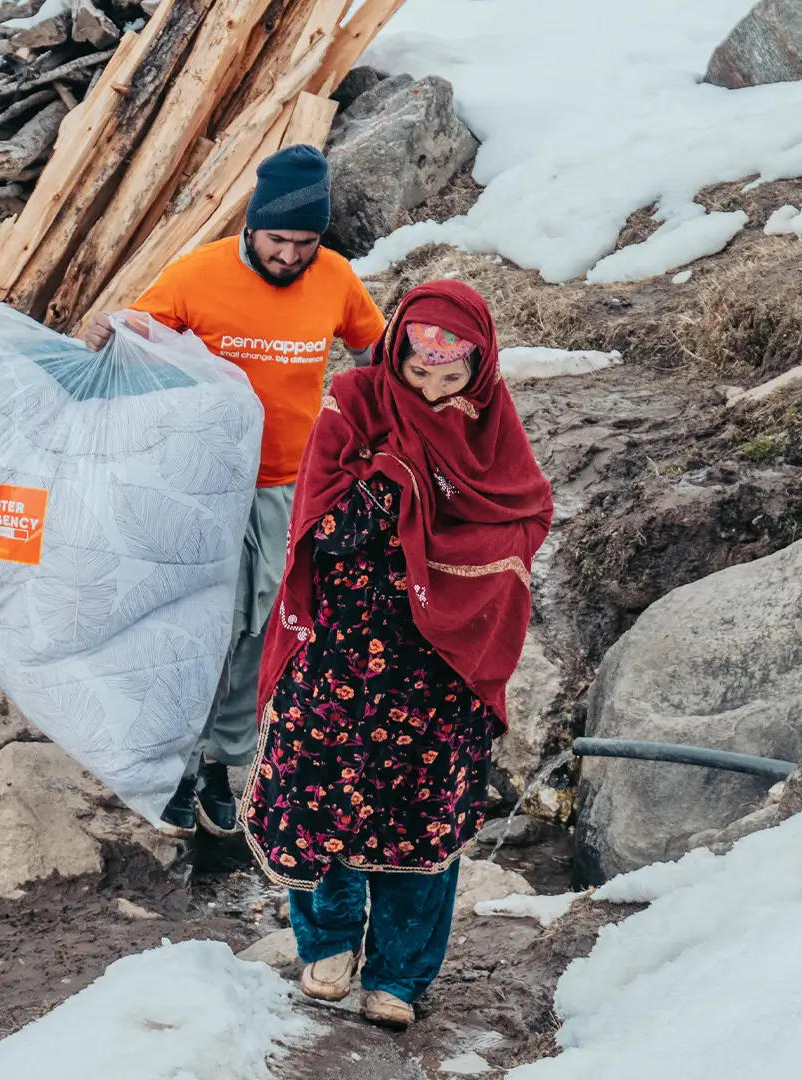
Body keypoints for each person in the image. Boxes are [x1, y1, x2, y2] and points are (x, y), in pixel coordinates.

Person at [240, 280, 553, 1032]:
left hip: (438, 669)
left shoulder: (490, 429)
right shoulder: (353, 402)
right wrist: (392, 485)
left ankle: (400, 977)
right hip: (338, 654)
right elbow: (322, 524)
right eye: (421, 375)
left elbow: (523, 517)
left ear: (478, 371)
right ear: (396, 354)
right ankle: (329, 946)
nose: (435, 392)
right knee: (321, 799)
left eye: (453, 379)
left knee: (421, 818)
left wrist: (445, 540)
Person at [83, 144, 386, 840]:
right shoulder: (198, 273)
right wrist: (104, 332)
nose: (290, 255)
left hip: (289, 484)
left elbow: (376, 356)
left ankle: (223, 765)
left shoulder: (336, 278)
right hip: (204, 486)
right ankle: (175, 767)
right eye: (279, 239)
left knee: (261, 625)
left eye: (305, 242)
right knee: (197, 623)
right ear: (252, 227)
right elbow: (136, 337)